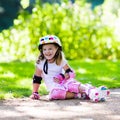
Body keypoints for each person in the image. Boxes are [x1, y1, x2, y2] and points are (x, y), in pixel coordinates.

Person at [30, 35, 110, 102]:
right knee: (55, 94)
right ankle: (81, 94)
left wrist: (63, 76)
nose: (47, 52)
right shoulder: (41, 63)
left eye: (50, 49)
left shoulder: (60, 60)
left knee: (72, 85)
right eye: (45, 49)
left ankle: (92, 91)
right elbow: (37, 78)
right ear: (42, 51)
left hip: (64, 82)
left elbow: (71, 72)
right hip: (55, 87)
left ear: (57, 49)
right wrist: (35, 92)